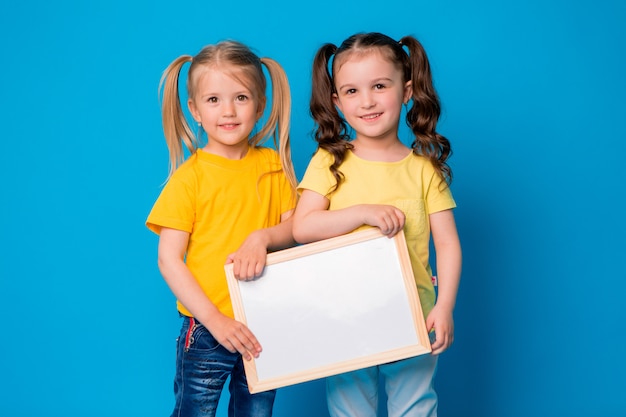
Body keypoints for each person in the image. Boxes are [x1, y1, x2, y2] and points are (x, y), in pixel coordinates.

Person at [292, 32, 462, 417]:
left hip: (413, 312)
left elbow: (448, 244)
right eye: (351, 91)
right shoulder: (329, 161)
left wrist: (445, 306)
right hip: (344, 313)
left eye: (379, 86)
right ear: (336, 101)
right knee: (350, 409)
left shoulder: (424, 170)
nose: (366, 101)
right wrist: (362, 213)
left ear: (407, 91)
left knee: (415, 406)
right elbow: (303, 228)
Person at [146, 40, 297, 417]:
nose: (228, 111)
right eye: (213, 100)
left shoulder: (274, 168)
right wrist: (214, 320)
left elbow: (295, 231)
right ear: (195, 110)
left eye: (241, 97)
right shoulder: (190, 179)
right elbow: (168, 259)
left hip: (265, 324)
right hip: (206, 329)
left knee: (256, 411)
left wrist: (261, 238)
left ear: (261, 105)